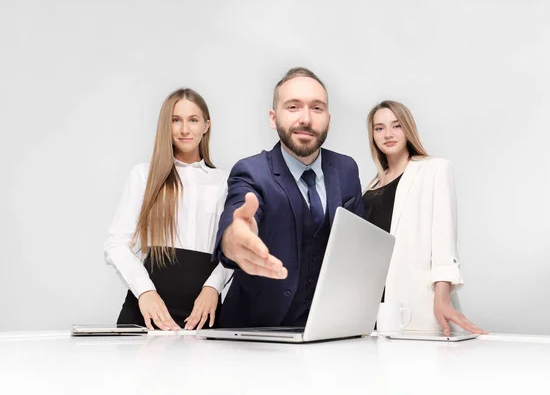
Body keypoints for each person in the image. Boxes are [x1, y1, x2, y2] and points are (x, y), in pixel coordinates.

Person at [212, 67, 364, 328]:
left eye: (316, 108)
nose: (306, 118)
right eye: (293, 107)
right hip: (255, 332)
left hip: (326, 329)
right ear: (273, 118)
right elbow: (238, 214)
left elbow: (358, 246)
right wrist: (234, 238)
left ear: (328, 118)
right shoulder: (251, 171)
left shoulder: (347, 170)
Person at [104, 88, 232, 331]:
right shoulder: (144, 175)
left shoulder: (225, 182)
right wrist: (145, 292)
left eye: (193, 120)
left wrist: (213, 287)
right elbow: (116, 244)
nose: (185, 129)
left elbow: (234, 250)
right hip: (149, 312)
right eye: (176, 120)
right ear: (166, 125)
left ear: (206, 125)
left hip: (202, 313)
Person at [363, 100, 487, 336]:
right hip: (374, 309)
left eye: (396, 126)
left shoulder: (434, 170)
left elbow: (444, 241)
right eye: (379, 128)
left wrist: (442, 298)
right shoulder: (369, 188)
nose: (388, 134)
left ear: (407, 128)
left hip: (416, 302)